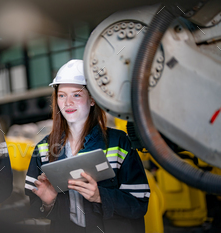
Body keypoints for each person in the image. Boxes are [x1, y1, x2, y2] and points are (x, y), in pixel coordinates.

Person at [24, 59, 150, 233]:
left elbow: (139, 202)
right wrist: (49, 202)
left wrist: (101, 196)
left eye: (76, 95)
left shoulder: (119, 144)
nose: (68, 102)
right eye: (62, 95)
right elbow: (34, 206)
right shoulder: (44, 149)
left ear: (92, 99)